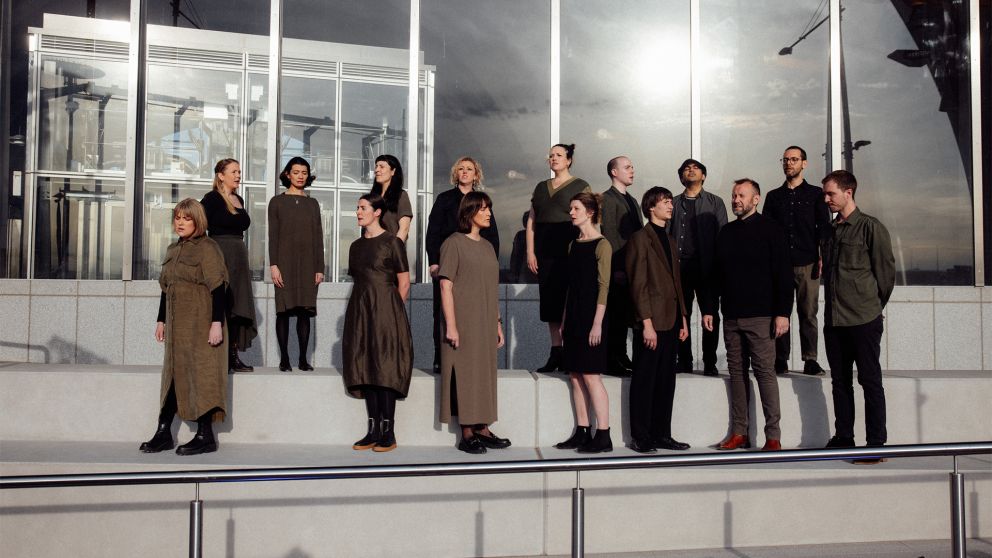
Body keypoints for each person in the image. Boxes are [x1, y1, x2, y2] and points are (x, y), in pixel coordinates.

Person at [703, 179, 792, 452]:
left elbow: (784, 275)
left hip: (762, 316)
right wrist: (708, 307)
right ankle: (739, 432)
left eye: (741, 195)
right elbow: (715, 274)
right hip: (731, 315)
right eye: (733, 195)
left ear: (756, 199)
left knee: (765, 373)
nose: (735, 199)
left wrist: (782, 314)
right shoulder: (726, 232)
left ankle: (773, 436)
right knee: (737, 373)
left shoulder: (773, 230)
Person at [140, 198, 229, 456]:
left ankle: (205, 436)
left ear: (198, 221)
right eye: (177, 217)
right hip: (177, 327)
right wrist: (161, 320)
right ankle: (163, 432)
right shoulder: (172, 249)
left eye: (186, 218)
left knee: (202, 376)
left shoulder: (208, 248)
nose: (180, 222)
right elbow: (165, 289)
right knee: (173, 376)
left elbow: (219, 287)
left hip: (202, 324)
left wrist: (216, 324)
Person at [820, 170, 895, 461]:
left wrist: (873, 309)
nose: (826, 199)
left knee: (870, 381)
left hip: (863, 320)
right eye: (825, 194)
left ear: (848, 192)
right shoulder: (829, 230)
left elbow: (885, 276)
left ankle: (876, 443)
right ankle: (844, 438)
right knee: (840, 382)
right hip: (835, 320)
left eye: (831, 194)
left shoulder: (870, 227)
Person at [439, 191, 509, 454]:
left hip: (484, 321)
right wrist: (452, 325)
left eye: (489, 208)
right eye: (483, 208)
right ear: (469, 213)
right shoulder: (453, 244)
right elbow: (446, 286)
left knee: (484, 374)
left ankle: (482, 427)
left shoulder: (488, 246)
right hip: (462, 321)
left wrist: (497, 323)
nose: (489, 213)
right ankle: (467, 433)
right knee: (464, 375)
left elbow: (490, 287)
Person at [342, 193, 413, 453]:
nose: (358, 212)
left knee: (385, 368)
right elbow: (359, 281)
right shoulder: (355, 246)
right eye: (357, 207)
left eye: (363, 208)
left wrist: (391, 311)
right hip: (360, 311)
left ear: (377, 212)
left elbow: (403, 283)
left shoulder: (392, 242)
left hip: (386, 311)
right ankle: (372, 430)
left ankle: (388, 431)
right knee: (366, 365)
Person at [625, 187, 690, 453]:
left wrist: (684, 319)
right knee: (644, 380)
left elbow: (677, 283)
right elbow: (637, 284)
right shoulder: (640, 238)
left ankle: (663, 434)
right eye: (665, 202)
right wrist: (647, 323)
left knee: (666, 381)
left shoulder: (671, 239)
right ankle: (641, 436)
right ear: (651, 207)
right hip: (651, 322)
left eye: (670, 202)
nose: (670, 205)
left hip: (672, 320)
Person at [426, 157, 500, 374]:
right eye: (461, 169)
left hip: (474, 263)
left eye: (469, 169)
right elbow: (433, 233)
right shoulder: (445, 199)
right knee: (442, 310)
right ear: (455, 173)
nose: (465, 172)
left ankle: (473, 357)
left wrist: (489, 265)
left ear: (476, 174)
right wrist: (434, 262)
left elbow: (493, 237)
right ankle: (441, 358)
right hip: (448, 261)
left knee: (474, 310)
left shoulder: (483, 203)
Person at [762, 146, 831, 375]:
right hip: (779, 265)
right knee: (779, 312)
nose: (789, 163)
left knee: (808, 312)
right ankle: (780, 359)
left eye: (794, 159)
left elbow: (824, 228)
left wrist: (823, 255)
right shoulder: (773, 197)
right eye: (785, 159)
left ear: (804, 163)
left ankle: (810, 358)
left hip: (807, 262)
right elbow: (767, 232)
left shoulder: (816, 195)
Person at [554, 192, 613, 453]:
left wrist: (597, 323)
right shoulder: (573, 245)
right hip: (575, 316)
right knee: (576, 376)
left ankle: (604, 435)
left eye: (576, 208)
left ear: (589, 212)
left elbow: (604, 286)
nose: (571, 213)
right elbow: (571, 287)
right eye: (571, 208)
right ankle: (582, 431)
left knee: (591, 376)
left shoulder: (603, 245)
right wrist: (565, 320)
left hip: (593, 316)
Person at [526, 143, 592, 372]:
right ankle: (556, 352)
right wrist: (530, 251)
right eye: (551, 155)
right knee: (551, 303)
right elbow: (532, 221)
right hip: (545, 253)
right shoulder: (541, 187)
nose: (554, 158)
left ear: (569, 160)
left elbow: (590, 219)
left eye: (559, 155)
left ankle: (572, 352)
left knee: (570, 301)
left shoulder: (581, 185)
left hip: (570, 250)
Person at [670, 158, 727, 376]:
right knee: (680, 315)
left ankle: (710, 362)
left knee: (711, 315)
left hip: (708, 269)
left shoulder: (715, 202)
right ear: (681, 177)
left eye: (695, 168)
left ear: (703, 176)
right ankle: (684, 360)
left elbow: (723, 236)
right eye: (686, 168)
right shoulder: (673, 203)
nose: (691, 170)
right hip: (680, 268)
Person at [200, 158, 258, 374]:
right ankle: (218, 356)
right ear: (220, 175)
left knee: (237, 306)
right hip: (220, 254)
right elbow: (197, 223)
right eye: (233, 171)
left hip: (239, 256)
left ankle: (233, 356)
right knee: (220, 303)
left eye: (239, 172)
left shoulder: (238, 198)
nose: (238, 175)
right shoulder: (212, 199)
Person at [268, 156, 325, 372]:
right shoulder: (277, 202)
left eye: (304, 172)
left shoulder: (313, 203)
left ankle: (303, 359)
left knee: (305, 311)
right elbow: (273, 236)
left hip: (309, 265)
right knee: (282, 311)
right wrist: (274, 265)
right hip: (284, 263)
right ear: (287, 175)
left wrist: (320, 268)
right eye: (296, 172)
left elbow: (319, 237)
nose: (300, 176)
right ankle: (284, 359)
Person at [599, 156, 644, 376]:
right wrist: (616, 268)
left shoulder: (633, 201)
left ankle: (622, 355)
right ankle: (611, 359)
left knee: (625, 313)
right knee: (615, 313)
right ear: (614, 172)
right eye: (627, 167)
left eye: (632, 166)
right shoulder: (607, 199)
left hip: (631, 266)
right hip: (618, 266)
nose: (632, 170)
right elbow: (609, 234)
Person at [370, 154, 413, 243]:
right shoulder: (373, 197)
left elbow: (404, 228)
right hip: (371, 250)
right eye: (376, 166)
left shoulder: (401, 195)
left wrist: (395, 250)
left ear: (393, 171)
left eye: (381, 167)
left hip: (390, 252)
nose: (377, 170)